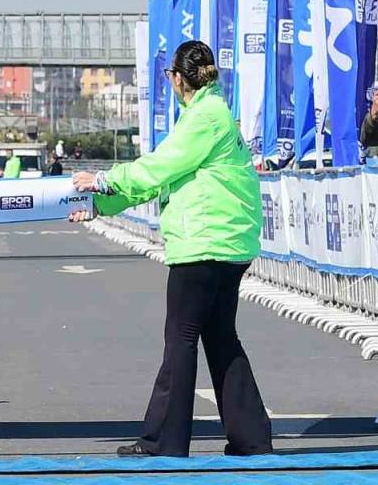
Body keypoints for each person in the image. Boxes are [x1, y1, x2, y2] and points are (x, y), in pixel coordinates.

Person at [70, 40, 271, 458]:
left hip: (202, 243)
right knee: (220, 338)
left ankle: (165, 439)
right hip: (229, 243)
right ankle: (251, 437)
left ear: (177, 79)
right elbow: (164, 178)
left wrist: (104, 181)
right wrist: (97, 205)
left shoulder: (203, 118)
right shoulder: (216, 115)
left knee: (180, 339)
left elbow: (159, 167)